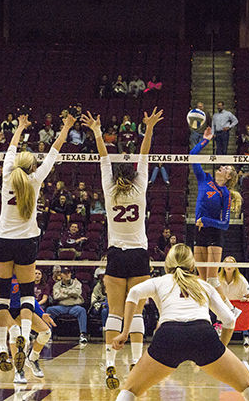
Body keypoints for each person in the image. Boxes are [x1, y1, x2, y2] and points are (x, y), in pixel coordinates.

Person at [111, 244, 249, 401]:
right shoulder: (204, 285)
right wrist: (220, 349)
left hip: (168, 336)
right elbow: (229, 320)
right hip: (202, 334)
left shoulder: (159, 282)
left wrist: (125, 333)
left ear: (167, 264)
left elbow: (133, 293)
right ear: (192, 265)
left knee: (129, 391)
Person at [81, 107, 163, 389]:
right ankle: (137, 364)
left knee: (115, 312)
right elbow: (145, 154)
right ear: (134, 176)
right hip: (139, 255)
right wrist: (148, 127)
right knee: (136, 313)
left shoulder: (108, 189)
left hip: (116, 254)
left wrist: (96, 130)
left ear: (116, 178)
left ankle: (110, 364)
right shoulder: (140, 189)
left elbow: (104, 158)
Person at [0, 111, 74, 373]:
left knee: (3, 296)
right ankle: (25, 337)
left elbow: (11, 148)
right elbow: (54, 151)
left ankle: (4, 348)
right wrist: (66, 127)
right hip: (27, 241)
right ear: (32, 168)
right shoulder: (36, 180)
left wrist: (20, 127)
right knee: (27, 293)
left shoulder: (7, 176)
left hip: (3, 239)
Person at [190, 126, 243, 317]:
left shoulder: (225, 193)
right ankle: (205, 316)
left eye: (227, 167)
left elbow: (225, 224)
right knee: (201, 280)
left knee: (212, 280)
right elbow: (192, 156)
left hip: (214, 234)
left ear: (228, 177)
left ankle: (231, 309)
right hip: (200, 232)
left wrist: (206, 220)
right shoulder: (205, 179)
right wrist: (205, 140)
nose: (223, 166)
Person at [0, 274, 56, 383]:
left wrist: (42, 314)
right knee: (15, 332)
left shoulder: (24, 270)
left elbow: (30, 297)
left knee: (46, 332)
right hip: (3, 310)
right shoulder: (3, 270)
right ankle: (19, 371)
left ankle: (32, 358)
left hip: (21, 309)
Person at [217, 257, 249, 348]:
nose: (229, 265)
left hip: (237, 308)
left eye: (231, 263)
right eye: (226, 263)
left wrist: (246, 301)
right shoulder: (217, 278)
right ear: (223, 266)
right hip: (221, 308)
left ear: (235, 267)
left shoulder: (241, 279)